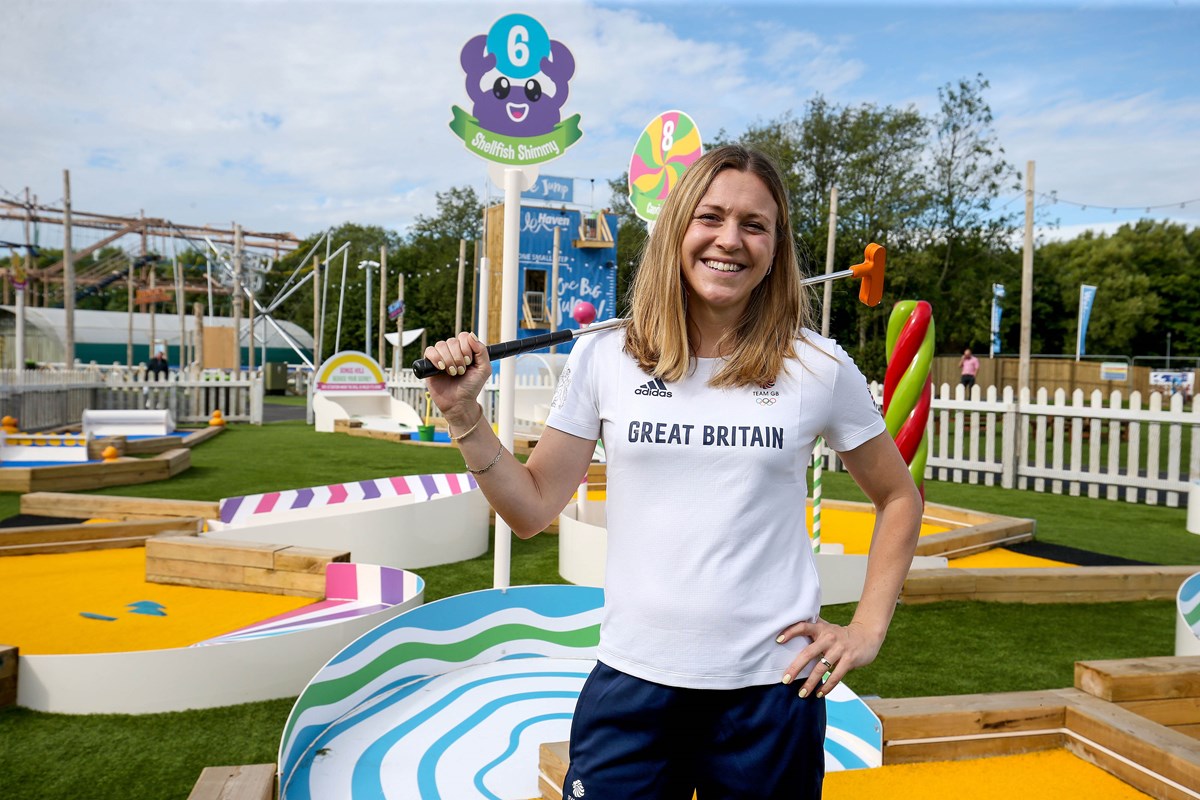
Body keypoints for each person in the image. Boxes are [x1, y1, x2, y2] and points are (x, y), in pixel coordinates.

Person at [422, 144, 922, 799]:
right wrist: (464, 419)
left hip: (770, 696)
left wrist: (866, 629)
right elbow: (532, 507)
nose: (730, 240)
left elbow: (898, 497)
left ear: (777, 246)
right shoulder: (606, 353)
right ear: (679, 228)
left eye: (754, 224)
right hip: (633, 685)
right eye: (711, 217)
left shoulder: (818, 365)